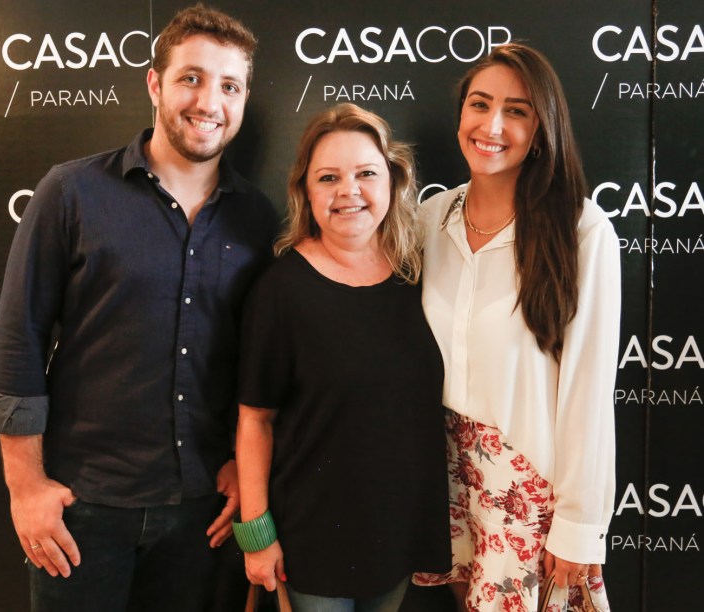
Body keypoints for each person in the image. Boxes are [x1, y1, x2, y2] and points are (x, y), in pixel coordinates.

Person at [0, 5, 278, 611]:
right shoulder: (73, 192)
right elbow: (20, 340)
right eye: (191, 78)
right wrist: (25, 486)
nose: (209, 102)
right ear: (154, 83)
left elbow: (262, 361)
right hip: (81, 510)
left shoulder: (259, 218)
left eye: (229, 86)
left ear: (244, 97)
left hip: (204, 515)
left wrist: (240, 469)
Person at [412, 43, 619, 611]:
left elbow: (589, 390)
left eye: (517, 110)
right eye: (479, 104)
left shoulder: (581, 230)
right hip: (440, 476)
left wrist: (578, 525)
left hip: (524, 488)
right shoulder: (426, 221)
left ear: (542, 126)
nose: (492, 125)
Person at [233, 103, 452, 611]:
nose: (348, 191)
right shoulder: (280, 290)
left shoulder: (417, 277)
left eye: (366, 173)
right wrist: (257, 535)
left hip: (396, 534)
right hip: (309, 539)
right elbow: (254, 422)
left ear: (392, 181)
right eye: (328, 177)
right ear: (306, 192)